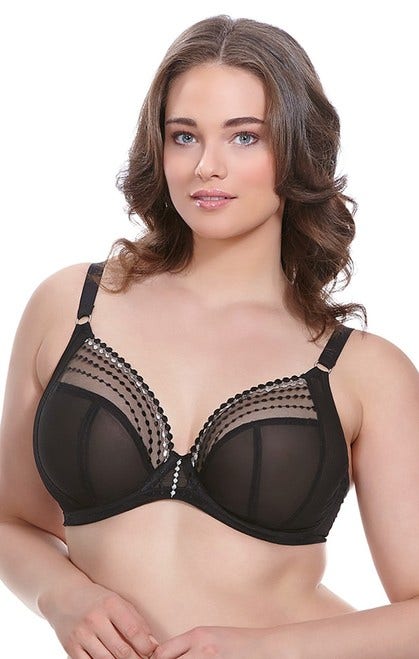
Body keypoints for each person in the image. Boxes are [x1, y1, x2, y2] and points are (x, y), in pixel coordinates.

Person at [0, 13, 418, 659]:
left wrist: (265, 651)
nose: (207, 166)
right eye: (184, 136)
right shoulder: (71, 307)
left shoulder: (362, 369)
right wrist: (61, 595)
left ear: (297, 151)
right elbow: (10, 519)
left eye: (244, 137)